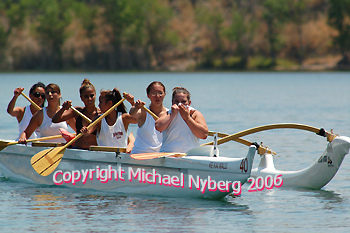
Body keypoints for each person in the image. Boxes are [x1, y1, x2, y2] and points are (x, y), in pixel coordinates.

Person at [81, 88, 137, 153]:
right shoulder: (99, 119)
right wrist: (85, 131)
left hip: (121, 157)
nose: (98, 105)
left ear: (109, 103)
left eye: (101, 102)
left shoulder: (124, 117)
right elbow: (87, 133)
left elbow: (139, 119)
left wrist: (132, 102)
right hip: (103, 158)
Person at [155, 87, 208, 153]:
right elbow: (158, 127)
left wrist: (187, 118)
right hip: (168, 153)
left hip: (191, 154)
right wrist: (172, 114)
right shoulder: (167, 113)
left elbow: (203, 135)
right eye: (176, 102)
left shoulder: (194, 113)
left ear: (189, 103)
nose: (180, 104)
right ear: (172, 102)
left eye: (183, 102)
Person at [52, 79, 101, 149]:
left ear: (96, 95)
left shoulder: (101, 114)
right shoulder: (77, 111)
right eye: (86, 96)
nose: (89, 99)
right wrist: (63, 109)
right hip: (77, 149)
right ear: (81, 98)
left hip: (93, 152)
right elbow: (55, 120)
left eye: (92, 96)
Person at [129, 81, 168, 154]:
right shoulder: (143, 111)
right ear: (148, 95)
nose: (157, 96)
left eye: (160, 93)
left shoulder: (169, 113)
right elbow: (132, 113)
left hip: (160, 155)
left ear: (164, 94)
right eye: (153, 93)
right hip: (140, 153)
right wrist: (136, 107)